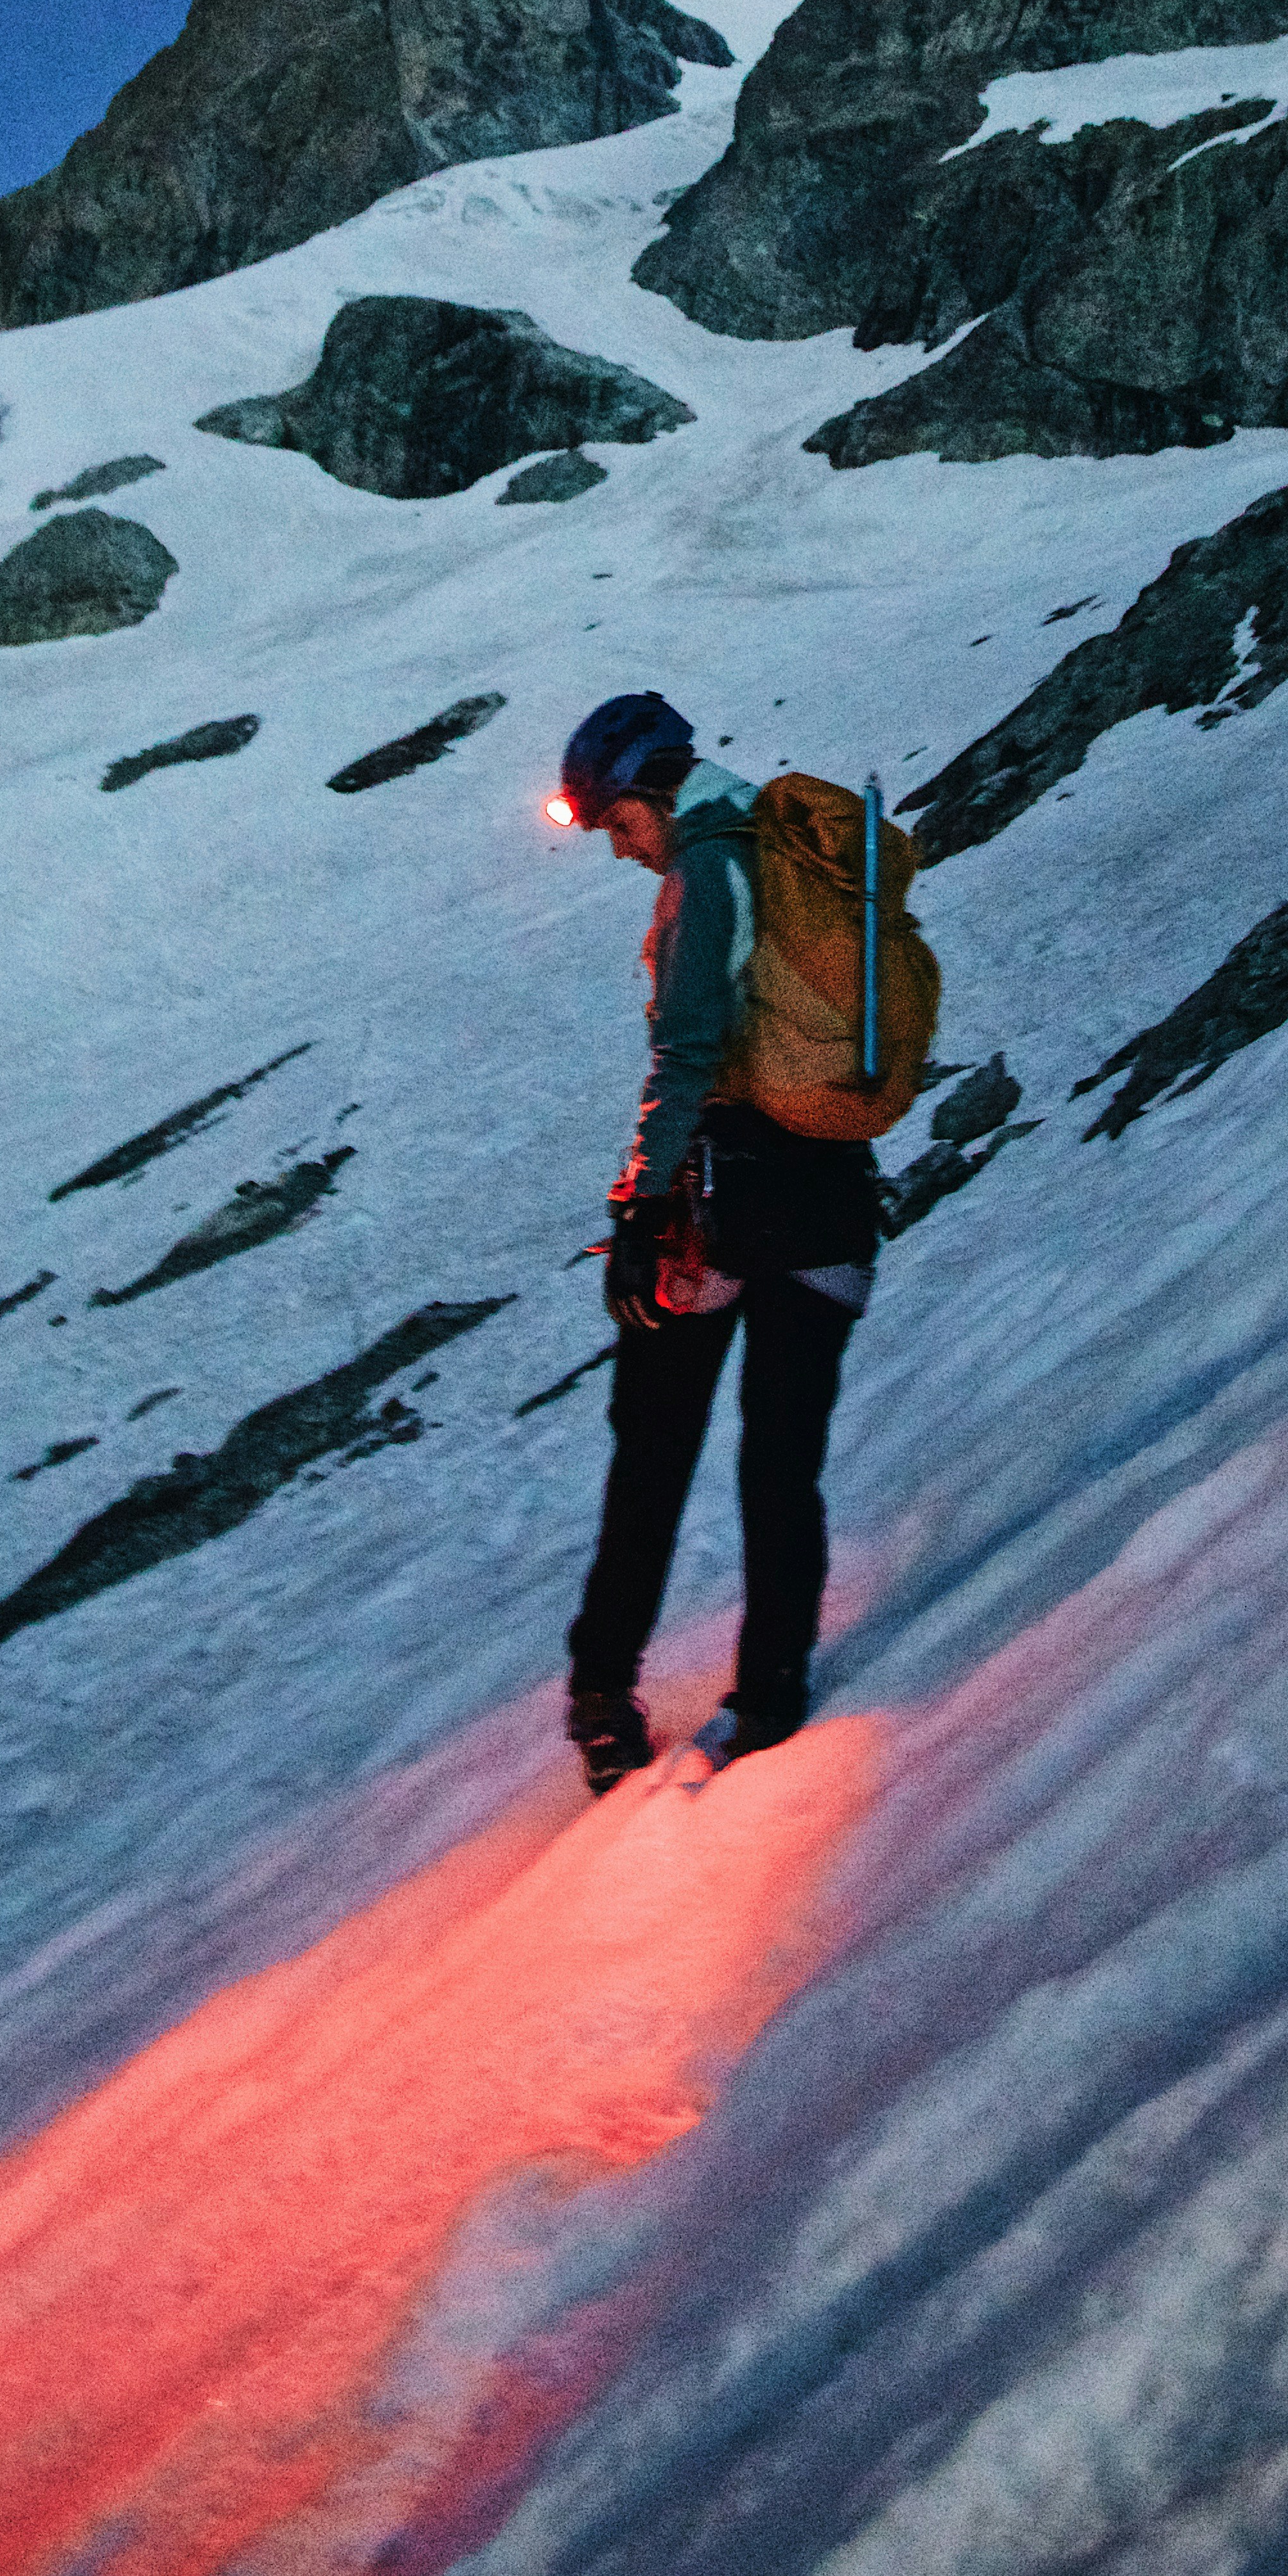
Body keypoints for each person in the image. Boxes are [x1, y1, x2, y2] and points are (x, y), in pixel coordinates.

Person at [551, 690, 883, 1793]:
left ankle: (603, 1695)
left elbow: (685, 1054)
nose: (622, 849)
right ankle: (772, 1691)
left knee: (653, 1449)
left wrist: (641, 1211)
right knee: (783, 1464)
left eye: (618, 824)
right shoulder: (802, 858)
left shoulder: (711, 870)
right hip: (831, 1197)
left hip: (722, 1209)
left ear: (652, 791)